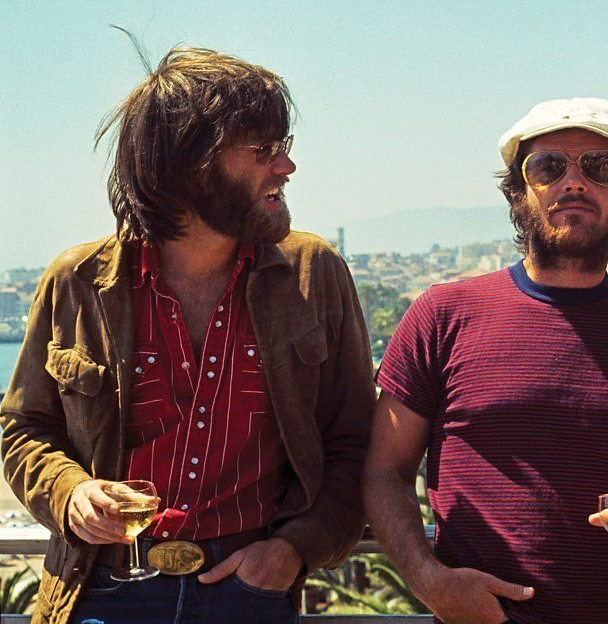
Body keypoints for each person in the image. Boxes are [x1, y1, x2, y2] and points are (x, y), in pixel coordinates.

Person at [0, 46, 375, 623]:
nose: (286, 168)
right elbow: (23, 428)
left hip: (249, 589)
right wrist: (71, 494)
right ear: (189, 168)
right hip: (99, 589)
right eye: (262, 151)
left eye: (283, 147)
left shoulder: (313, 275)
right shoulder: (77, 282)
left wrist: (292, 550)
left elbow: (353, 442)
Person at [363, 97, 608, 623]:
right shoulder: (442, 314)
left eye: (599, 167)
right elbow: (384, 472)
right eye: (548, 167)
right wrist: (431, 584)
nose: (574, 182)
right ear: (519, 193)